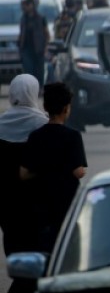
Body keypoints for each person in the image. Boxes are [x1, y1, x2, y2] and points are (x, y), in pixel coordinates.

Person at [20, 83, 87, 253]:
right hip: (66, 202)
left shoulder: (35, 136)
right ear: (66, 109)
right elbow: (78, 172)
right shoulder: (73, 136)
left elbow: (24, 174)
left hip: (41, 203)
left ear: (45, 107)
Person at [0, 75, 49, 258]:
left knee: (13, 241)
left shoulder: (1, 124)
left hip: (7, 198)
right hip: (37, 199)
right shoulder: (43, 124)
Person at [18, 0, 50, 83]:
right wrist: (20, 47)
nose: (26, 7)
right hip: (26, 49)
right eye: (25, 5)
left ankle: (40, 87)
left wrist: (46, 48)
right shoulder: (23, 19)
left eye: (28, 4)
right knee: (28, 71)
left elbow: (47, 34)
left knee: (39, 71)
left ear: (32, 5)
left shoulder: (41, 18)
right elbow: (21, 34)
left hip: (39, 49)